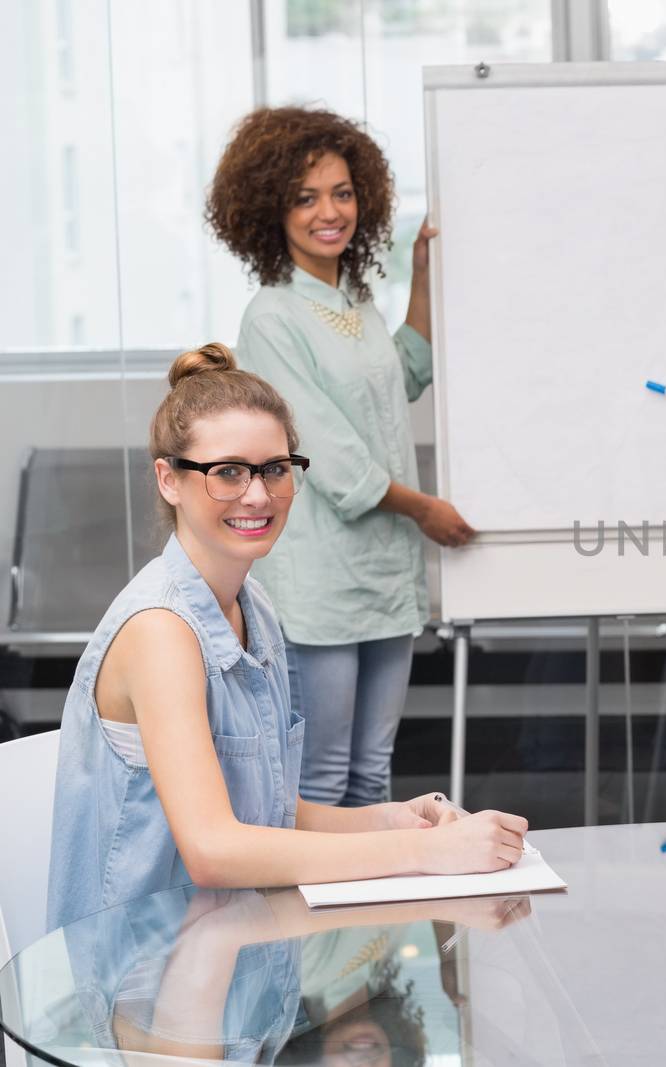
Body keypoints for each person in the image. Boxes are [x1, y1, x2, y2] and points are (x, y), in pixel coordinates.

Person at [46, 344, 528, 933]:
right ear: (169, 480)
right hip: (142, 970)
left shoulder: (255, 608)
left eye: (275, 468)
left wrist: (398, 821)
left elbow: (269, 813)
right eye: (227, 472)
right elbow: (214, 851)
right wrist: (428, 855)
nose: (258, 494)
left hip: (233, 944)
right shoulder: (161, 632)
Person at [206, 106, 474, 807]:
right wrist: (426, 512)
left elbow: (406, 374)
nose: (330, 211)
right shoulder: (271, 316)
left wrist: (420, 274)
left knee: (374, 776)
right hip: (323, 580)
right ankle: (312, 924)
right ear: (273, 211)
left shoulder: (356, 300)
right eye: (306, 197)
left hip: (385, 577)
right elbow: (329, 455)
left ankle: (368, 925)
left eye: (343, 192)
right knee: (322, 779)